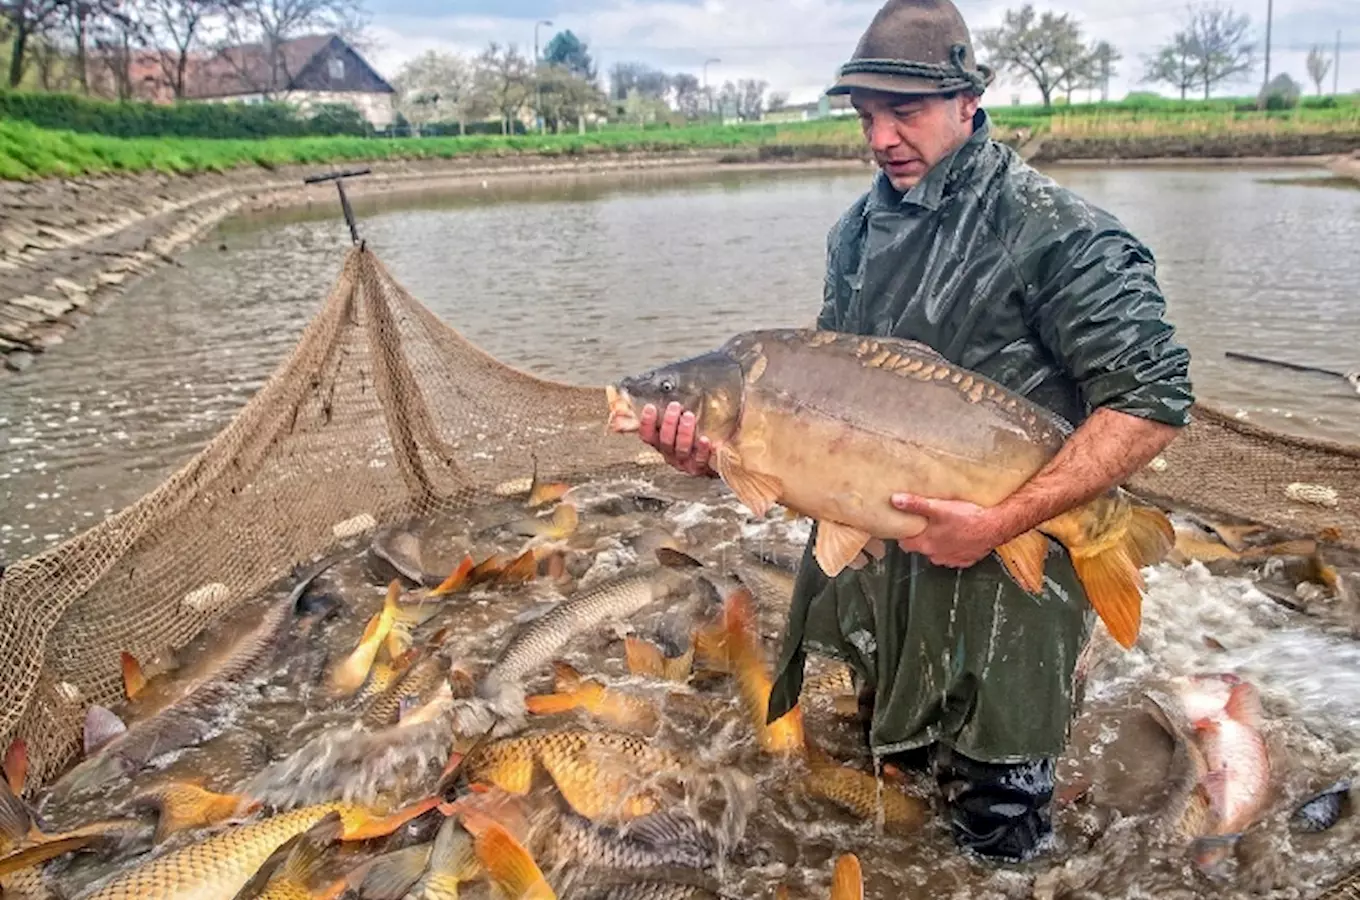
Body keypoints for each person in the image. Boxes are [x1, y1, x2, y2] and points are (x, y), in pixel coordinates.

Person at [631, 0, 1194, 863]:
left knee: (996, 810)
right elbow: (803, 425)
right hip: (886, 551)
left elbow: (1151, 399)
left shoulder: (1056, 232)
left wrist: (1002, 524)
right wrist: (716, 455)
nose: (883, 137)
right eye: (867, 117)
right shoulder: (857, 233)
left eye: (907, 111)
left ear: (970, 101)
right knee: (891, 759)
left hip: (1011, 543)